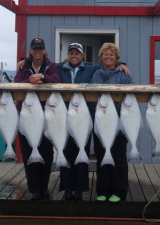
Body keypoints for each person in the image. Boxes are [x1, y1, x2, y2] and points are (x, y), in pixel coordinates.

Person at [17, 42, 130, 201]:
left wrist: (121, 64)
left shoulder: (91, 69)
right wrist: (24, 59)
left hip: (82, 118)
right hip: (63, 117)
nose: (74, 56)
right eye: (71, 53)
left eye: (77, 53)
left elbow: (108, 64)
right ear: (68, 55)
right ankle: (67, 188)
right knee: (66, 153)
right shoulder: (59, 67)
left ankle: (80, 189)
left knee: (81, 153)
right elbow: (39, 58)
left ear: (82, 55)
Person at [14, 37, 60, 200]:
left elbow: (56, 80)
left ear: (45, 51)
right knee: (28, 153)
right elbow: (17, 82)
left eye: (41, 49)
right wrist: (30, 80)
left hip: (46, 115)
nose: (38, 52)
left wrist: (43, 77)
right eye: (35, 49)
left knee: (46, 153)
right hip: (26, 115)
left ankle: (44, 187)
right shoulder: (23, 66)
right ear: (31, 51)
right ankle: (34, 189)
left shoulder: (51, 66)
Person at [90, 42, 133, 203]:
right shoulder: (96, 74)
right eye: (105, 54)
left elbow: (131, 95)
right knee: (101, 156)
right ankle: (103, 190)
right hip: (101, 121)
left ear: (117, 58)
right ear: (101, 57)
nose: (108, 57)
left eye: (111, 55)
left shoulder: (124, 74)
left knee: (119, 157)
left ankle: (119, 192)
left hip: (119, 122)